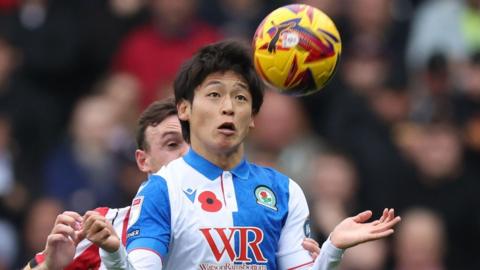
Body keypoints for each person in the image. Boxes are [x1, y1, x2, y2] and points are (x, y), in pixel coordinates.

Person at [91, 40, 400, 269]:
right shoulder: (162, 189)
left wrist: (332, 248)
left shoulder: (285, 191)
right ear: (184, 108)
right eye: (214, 94)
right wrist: (114, 254)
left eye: (240, 97)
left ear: (252, 116)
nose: (228, 107)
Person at [24, 98, 321, 270]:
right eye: (171, 144)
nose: (186, 155)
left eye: (194, 143)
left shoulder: (247, 225)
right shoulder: (106, 226)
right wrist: (51, 267)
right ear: (143, 161)